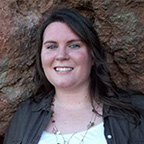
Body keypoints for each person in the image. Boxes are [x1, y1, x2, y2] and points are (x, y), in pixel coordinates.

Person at [3, 7, 144, 144]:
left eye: (74, 45)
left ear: (93, 55)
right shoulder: (24, 116)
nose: (61, 56)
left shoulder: (136, 110)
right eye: (52, 46)